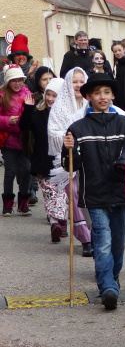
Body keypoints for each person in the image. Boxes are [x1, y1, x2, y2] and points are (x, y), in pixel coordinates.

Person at [62, 73, 125, 309]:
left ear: (113, 95)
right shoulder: (77, 128)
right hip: (94, 193)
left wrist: (124, 164)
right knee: (102, 240)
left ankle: (112, 275)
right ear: (88, 97)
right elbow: (71, 165)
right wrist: (68, 150)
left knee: (119, 241)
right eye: (96, 93)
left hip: (120, 191)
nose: (102, 97)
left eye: (106, 92)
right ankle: (107, 287)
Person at [46, 67, 94, 254]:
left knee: (92, 195)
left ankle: (97, 233)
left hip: (92, 158)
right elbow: (53, 131)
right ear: (67, 83)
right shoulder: (60, 107)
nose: (78, 85)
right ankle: (86, 239)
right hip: (69, 160)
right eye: (74, 82)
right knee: (75, 193)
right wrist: (69, 139)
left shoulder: (92, 104)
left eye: (82, 81)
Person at [20, 77, 63, 239]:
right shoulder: (39, 113)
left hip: (62, 162)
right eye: (48, 95)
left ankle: (61, 221)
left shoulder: (66, 114)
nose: (50, 99)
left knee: (61, 195)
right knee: (49, 193)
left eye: (54, 95)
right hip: (42, 161)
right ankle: (55, 223)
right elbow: (24, 127)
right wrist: (28, 109)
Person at [0, 65, 34, 216]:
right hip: (8, 140)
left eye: (20, 80)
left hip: (24, 140)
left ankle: (23, 202)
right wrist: (7, 121)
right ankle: (8, 204)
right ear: (8, 81)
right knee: (10, 171)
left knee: (26, 170)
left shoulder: (28, 94)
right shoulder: (2, 95)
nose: (17, 83)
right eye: (14, 80)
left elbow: (32, 115)